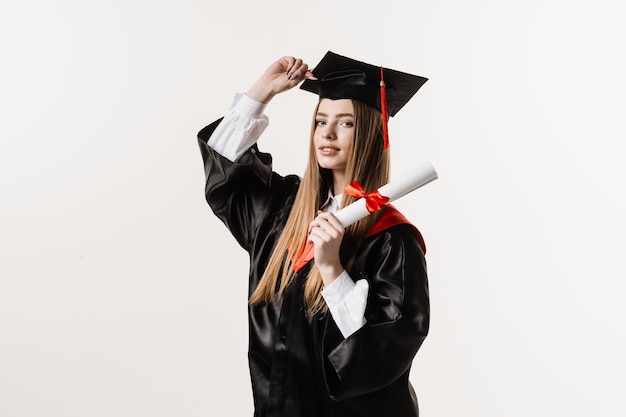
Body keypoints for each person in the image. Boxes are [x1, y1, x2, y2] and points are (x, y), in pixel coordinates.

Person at [197, 51, 430, 417]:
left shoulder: (392, 239)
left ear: (371, 132)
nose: (329, 133)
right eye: (321, 121)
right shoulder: (282, 211)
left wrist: (333, 270)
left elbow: (385, 354)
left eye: (347, 123)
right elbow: (226, 176)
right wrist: (263, 91)